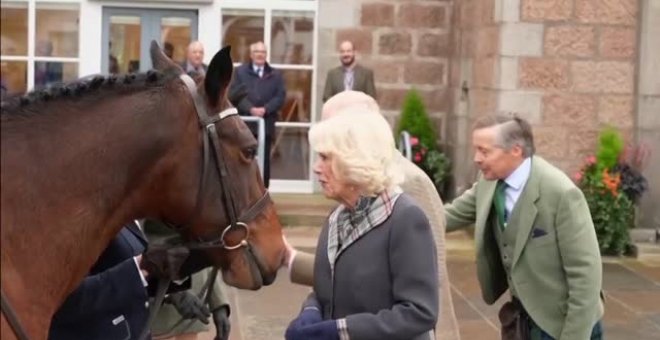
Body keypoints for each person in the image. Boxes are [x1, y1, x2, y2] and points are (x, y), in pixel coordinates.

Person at [283, 91, 460, 339]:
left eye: (325, 158)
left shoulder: (405, 218)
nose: (316, 167)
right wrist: (311, 312)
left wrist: (340, 331)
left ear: (353, 160)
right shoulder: (337, 218)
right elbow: (327, 288)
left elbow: (420, 312)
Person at [444, 115, 604, 340]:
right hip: (523, 321)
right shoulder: (488, 182)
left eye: (485, 151)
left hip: (564, 325)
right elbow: (446, 216)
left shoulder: (562, 194)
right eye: (476, 150)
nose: (476, 159)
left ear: (516, 150)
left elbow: (586, 273)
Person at [144, 220, 231, 340]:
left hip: (193, 313)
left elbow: (205, 257)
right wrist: (173, 292)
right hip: (156, 318)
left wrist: (219, 304)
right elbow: (131, 249)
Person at [228, 41, 286, 188]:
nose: (260, 55)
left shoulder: (276, 75)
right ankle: (244, 191)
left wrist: (266, 109)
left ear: (266, 55)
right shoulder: (240, 72)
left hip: (266, 124)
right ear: (251, 54)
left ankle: (263, 191)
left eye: (263, 52)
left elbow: (280, 96)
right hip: (245, 125)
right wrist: (251, 109)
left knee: (264, 160)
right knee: (244, 159)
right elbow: (234, 94)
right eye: (257, 52)